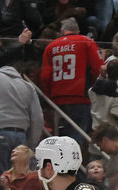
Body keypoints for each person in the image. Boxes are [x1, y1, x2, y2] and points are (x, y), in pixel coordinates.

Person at [40, 18, 103, 153]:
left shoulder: (51, 46)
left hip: (57, 99)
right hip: (80, 96)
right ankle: (71, 163)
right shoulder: (86, 42)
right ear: (77, 30)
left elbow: (45, 76)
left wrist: (48, 96)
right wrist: (92, 87)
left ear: (62, 31)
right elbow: (98, 68)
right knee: (76, 138)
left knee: (61, 136)